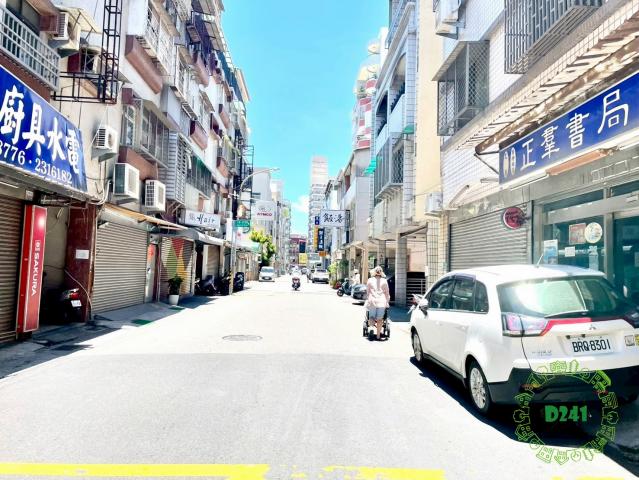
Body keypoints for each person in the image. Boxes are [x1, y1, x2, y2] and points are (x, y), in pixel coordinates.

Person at [365, 266, 390, 340]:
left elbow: (368, 292)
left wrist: (369, 298)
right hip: (381, 302)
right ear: (381, 273)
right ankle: (378, 336)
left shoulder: (370, 280)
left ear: (374, 272)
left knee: (371, 317)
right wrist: (387, 301)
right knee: (380, 319)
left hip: (372, 301)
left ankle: (371, 328)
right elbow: (387, 293)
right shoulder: (384, 281)